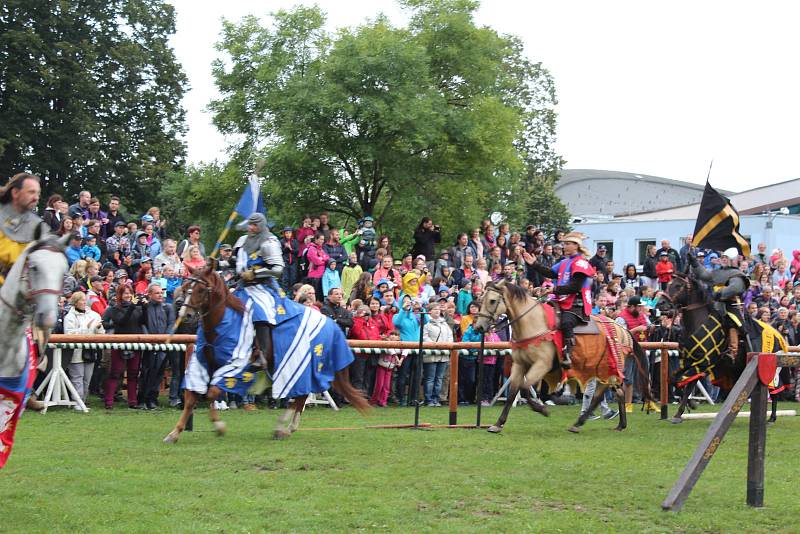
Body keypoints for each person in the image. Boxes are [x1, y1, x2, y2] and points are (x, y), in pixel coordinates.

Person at [522, 232, 596, 369]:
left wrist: (554, 289)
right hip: (561, 300)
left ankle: (568, 354)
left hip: (576, 303)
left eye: (567, 244)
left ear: (576, 246)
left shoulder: (581, 263)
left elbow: (575, 287)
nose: (564, 246)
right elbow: (550, 273)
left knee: (566, 322)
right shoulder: (564, 262)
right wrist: (534, 264)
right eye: (564, 243)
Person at [688, 248, 750, 357]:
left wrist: (721, 293)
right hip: (716, 305)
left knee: (732, 323)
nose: (724, 260)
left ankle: (733, 350)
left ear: (733, 260)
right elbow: (703, 275)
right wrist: (695, 263)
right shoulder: (717, 272)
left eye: (726, 258)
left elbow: (735, 288)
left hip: (730, 306)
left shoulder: (737, 274)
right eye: (723, 258)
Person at [102, 284, 143, 409]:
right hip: (120, 343)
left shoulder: (136, 308)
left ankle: (132, 401)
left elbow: (142, 322)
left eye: (130, 292)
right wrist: (132, 307)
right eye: (125, 293)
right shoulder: (115, 309)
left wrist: (145, 308)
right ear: (120, 295)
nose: (128, 295)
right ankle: (108, 401)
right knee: (115, 372)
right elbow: (121, 322)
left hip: (135, 343)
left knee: (133, 373)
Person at [138, 283, 176, 410]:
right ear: (150, 294)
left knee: (159, 372)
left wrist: (165, 339)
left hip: (163, 346)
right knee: (146, 371)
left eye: (161, 293)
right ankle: (142, 399)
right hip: (149, 345)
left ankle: (153, 399)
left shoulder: (168, 307)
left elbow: (171, 325)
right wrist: (149, 339)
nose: (160, 295)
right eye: (157, 293)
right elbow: (142, 324)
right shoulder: (145, 307)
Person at [615, 296, 653, 412]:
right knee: (628, 379)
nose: (640, 309)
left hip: (641, 349)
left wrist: (651, 328)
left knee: (646, 377)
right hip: (628, 352)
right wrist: (637, 329)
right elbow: (621, 335)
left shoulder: (642, 315)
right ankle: (628, 405)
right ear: (631, 307)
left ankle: (649, 403)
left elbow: (648, 325)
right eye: (638, 307)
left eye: (641, 307)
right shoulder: (621, 318)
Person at [422, 302, 452, 406]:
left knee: (439, 378)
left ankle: (436, 399)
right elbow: (425, 337)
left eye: (438, 309)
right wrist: (435, 345)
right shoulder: (426, 324)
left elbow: (450, 336)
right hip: (431, 355)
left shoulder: (444, 324)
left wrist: (446, 345)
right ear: (430, 311)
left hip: (443, 355)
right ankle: (428, 399)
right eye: (435, 309)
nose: (437, 311)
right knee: (430, 378)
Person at [305, 232, 330, 301]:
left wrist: (322, 258)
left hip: (321, 275)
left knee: (320, 294)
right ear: (316, 239)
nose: (322, 241)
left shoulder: (320, 249)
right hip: (314, 275)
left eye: (323, 239)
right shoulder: (312, 249)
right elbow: (316, 261)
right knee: (314, 294)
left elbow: (327, 257)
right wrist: (323, 259)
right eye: (321, 239)